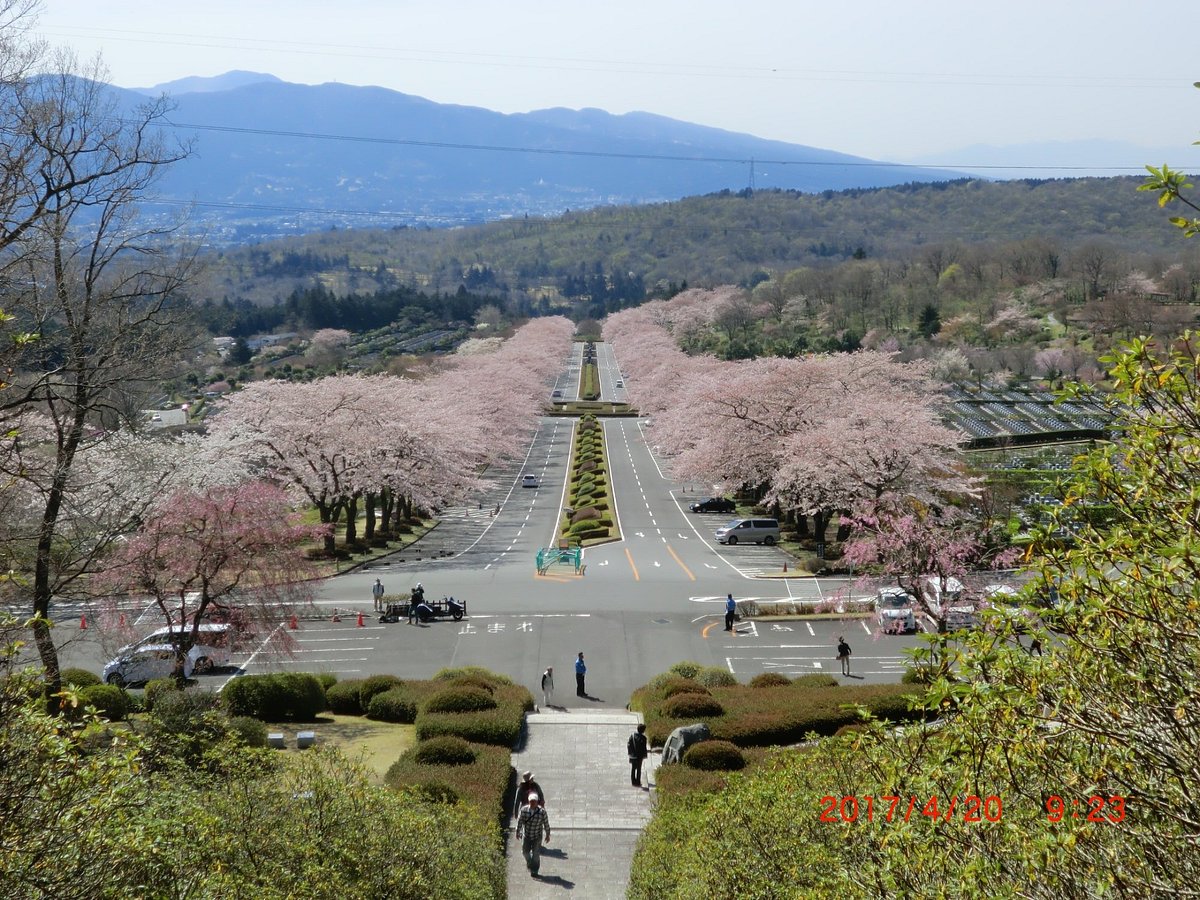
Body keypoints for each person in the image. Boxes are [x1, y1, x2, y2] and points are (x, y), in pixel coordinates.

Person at [516, 794, 551, 878]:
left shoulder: (542, 812)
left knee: (536, 854)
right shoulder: (524, 810)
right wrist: (517, 831)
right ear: (528, 801)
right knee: (525, 852)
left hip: (537, 836)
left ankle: (535, 870)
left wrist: (547, 834)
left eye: (534, 801)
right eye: (531, 801)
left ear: (537, 802)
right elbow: (519, 822)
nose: (532, 803)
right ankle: (529, 862)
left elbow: (546, 823)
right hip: (526, 835)